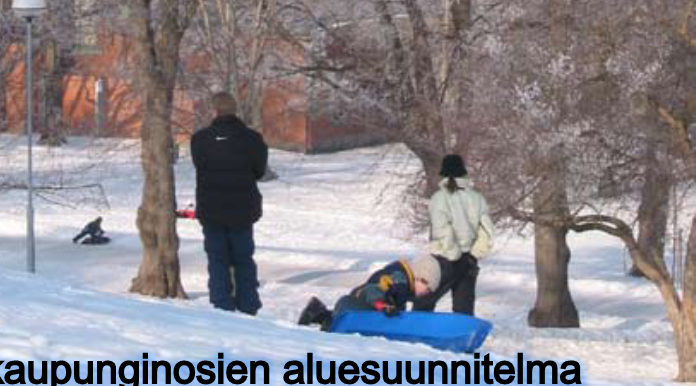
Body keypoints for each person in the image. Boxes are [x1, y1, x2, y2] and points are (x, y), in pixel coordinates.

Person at [190, 91, 268, 315]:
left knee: (217, 259)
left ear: (214, 111)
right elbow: (259, 170)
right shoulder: (252, 139)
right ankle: (248, 304)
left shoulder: (200, 140)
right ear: (235, 110)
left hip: (211, 209)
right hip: (243, 209)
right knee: (244, 258)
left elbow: (200, 166)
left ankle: (222, 304)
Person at [413, 153, 494, 316]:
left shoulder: (439, 198)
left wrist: (453, 253)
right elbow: (486, 231)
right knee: (464, 308)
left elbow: (442, 229)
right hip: (468, 260)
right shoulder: (477, 198)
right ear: (463, 173)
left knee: (424, 303)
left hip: (444, 259)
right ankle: (461, 337)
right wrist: (472, 255)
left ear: (443, 174)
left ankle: (416, 335)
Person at [298, 255, 442, 330]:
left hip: (353, 303)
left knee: (389, 319)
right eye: (428, 288)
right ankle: (328, 322)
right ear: (420, 278)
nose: (427, 293)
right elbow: (373, 290)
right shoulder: (399, 280)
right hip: (354, 304)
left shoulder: (403, 286)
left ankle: (319, 313)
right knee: (379, 319)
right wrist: (383, 306)